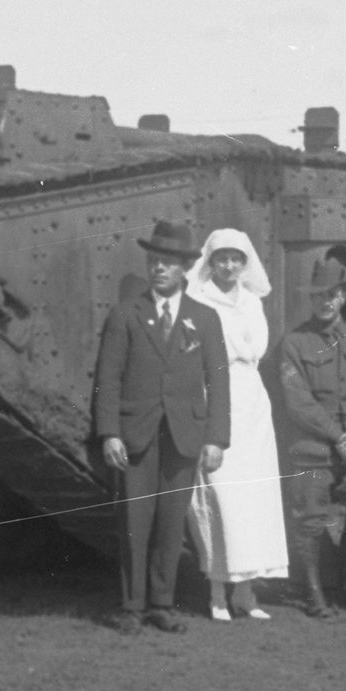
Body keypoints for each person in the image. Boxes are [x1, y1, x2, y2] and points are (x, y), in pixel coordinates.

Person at [91, 219, 231, 635]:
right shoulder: (124, 314)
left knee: (171, 522)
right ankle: (132, 606)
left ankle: (161, 604)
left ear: (184, 268)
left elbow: (218, 383)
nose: (159, 269)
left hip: (184, 436)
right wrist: (109, 433)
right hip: (136, 435)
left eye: (168, 263)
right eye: (153, 261)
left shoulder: (205, 318)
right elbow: (108, 379)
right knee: (135, 521)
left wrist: (216, 439)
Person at [183, 229, 291, 621]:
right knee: (219, 495)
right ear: (210, 261)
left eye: (236, 259)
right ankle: (216, 592)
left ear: (245, 263)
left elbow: (257, 348)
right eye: (222, 258)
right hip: (214, 394)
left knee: (254, 497)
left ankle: (246, 593)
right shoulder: (197, 299)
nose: (229, 266)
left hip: (251, 402)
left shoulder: (253, 301)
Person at [276, 256, 346, 618]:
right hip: (312, 447)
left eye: (332, 294)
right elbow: (297, 401)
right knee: (310, 520)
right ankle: (314, 593)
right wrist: (338, 436)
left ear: (343, 296)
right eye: (318, 295)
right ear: (310, 298)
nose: (325, 301)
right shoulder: (294, 343)